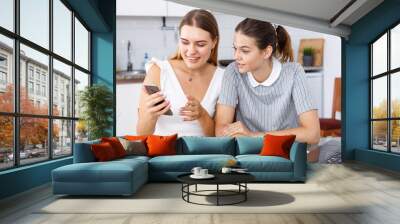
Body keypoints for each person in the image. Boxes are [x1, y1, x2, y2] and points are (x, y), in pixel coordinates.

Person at [215, 18, 320, 144]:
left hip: (286, 154)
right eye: (235, 48)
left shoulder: (294, 72)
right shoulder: (233, 72)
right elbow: (221, 132)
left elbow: (312, 134)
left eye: (245, 50)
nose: (236, 56)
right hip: (248, 154)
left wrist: (253, 136)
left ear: (266, 52)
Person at [136, 9, 224, 137]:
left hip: (204, 155)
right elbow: (141, 135)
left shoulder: (222, 78)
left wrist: (202, 115)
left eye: (200, 44)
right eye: (185, 42)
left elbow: (221, 139)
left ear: (214, 42)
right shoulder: (159, 71)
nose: (191, 50)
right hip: (164, 154)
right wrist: (150, 115)